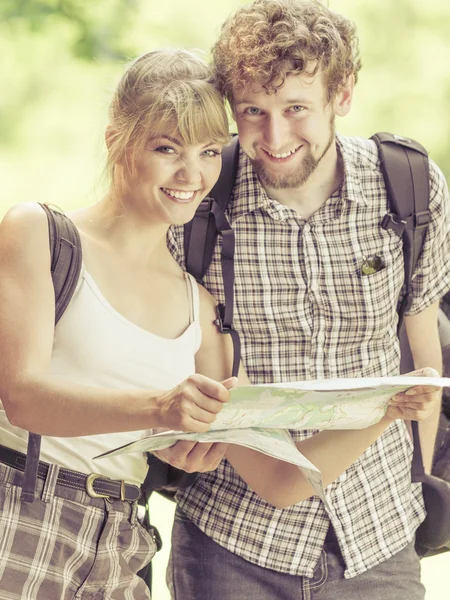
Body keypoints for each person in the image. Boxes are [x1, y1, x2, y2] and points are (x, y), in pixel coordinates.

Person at [162, 1, 450, 599]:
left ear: (341, 93)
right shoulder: (198, 202)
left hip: (379, 532)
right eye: (252, 112)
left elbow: (422, 342)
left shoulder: (411, 187)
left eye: (296, 109)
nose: (274, 137)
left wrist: (418, 482)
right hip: (230, 539)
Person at [0, 48, 236, 600]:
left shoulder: (199, 304)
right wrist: (158, 408)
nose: (192, 174)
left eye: (209, 151)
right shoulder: (40, 233)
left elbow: (214, 430)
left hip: (124, 540)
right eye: (166, 148)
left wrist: (191, 448)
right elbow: (22, 397)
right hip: (21, 510)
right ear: (117, 141)